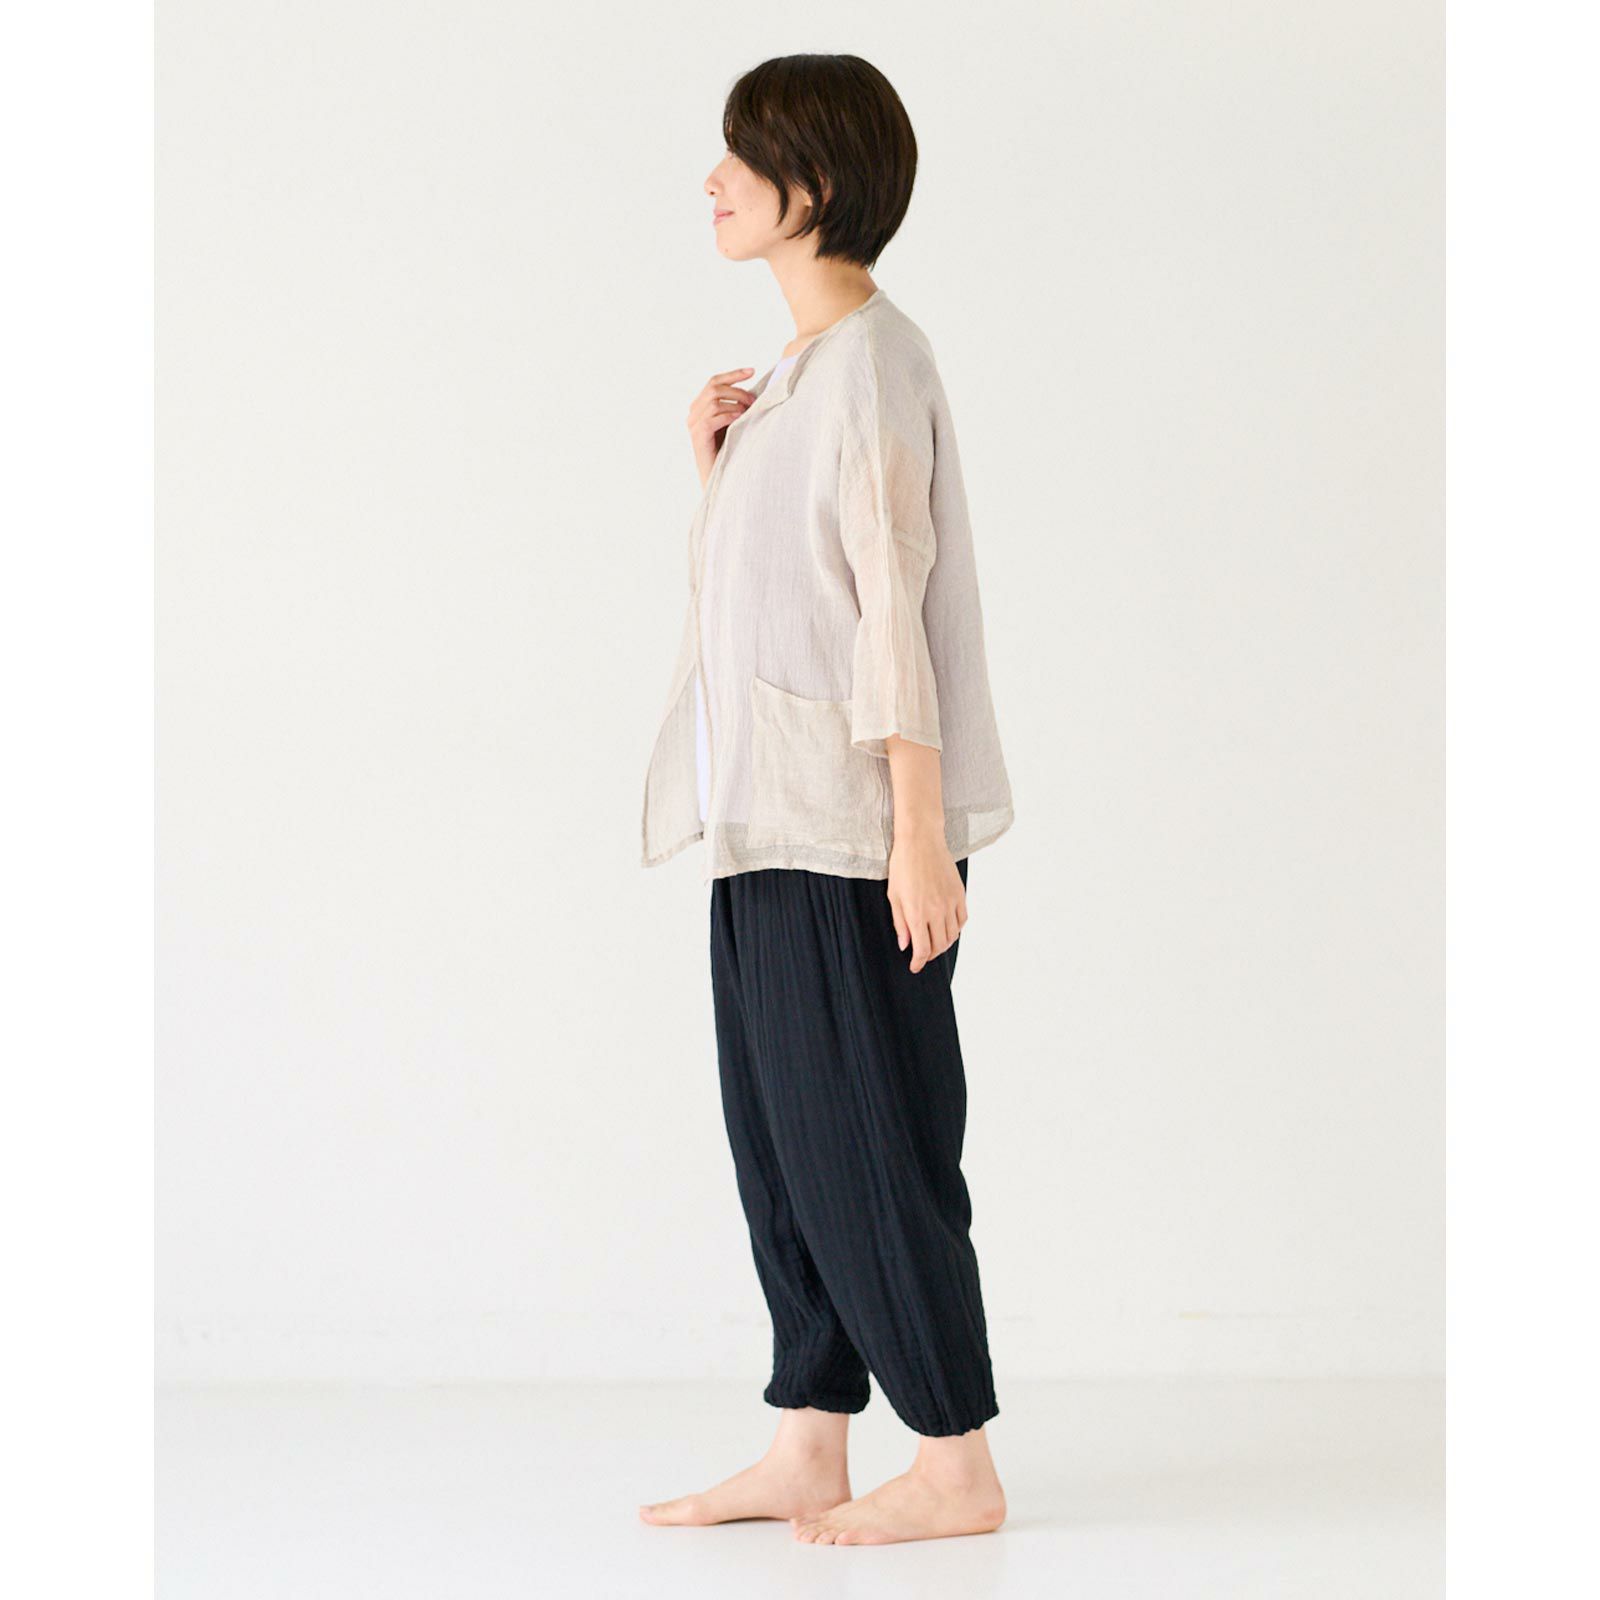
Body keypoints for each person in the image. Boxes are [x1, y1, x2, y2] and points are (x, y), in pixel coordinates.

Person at [637, 53, 1016, 1547]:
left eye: (744, 159)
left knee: (873, 1145)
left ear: (816, 185)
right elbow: (781, 598)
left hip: (849, 837)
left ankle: (956, 1462)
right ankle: (810, 1439)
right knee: (785, 1148)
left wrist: (920, 838)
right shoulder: (799, 376)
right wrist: (717, 468)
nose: (716, 182)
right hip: (765, 822)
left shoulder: (869, 365)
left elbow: (891, 616)